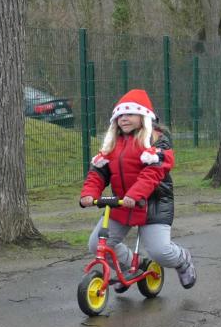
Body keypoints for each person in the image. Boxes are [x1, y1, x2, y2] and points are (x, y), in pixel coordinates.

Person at [79, 89, 196, 289]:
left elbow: (153, 172)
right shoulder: (112, 144)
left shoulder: (157, 141)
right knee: (97, 245)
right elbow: (98, 173)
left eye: (130, 114)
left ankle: (182, 260)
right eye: (120, 115)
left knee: (160, 252)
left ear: (144, 117)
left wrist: (135, 194)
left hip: (152, 204)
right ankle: (130, 267)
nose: (124, 118)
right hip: (122, 204)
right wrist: (89, 193)